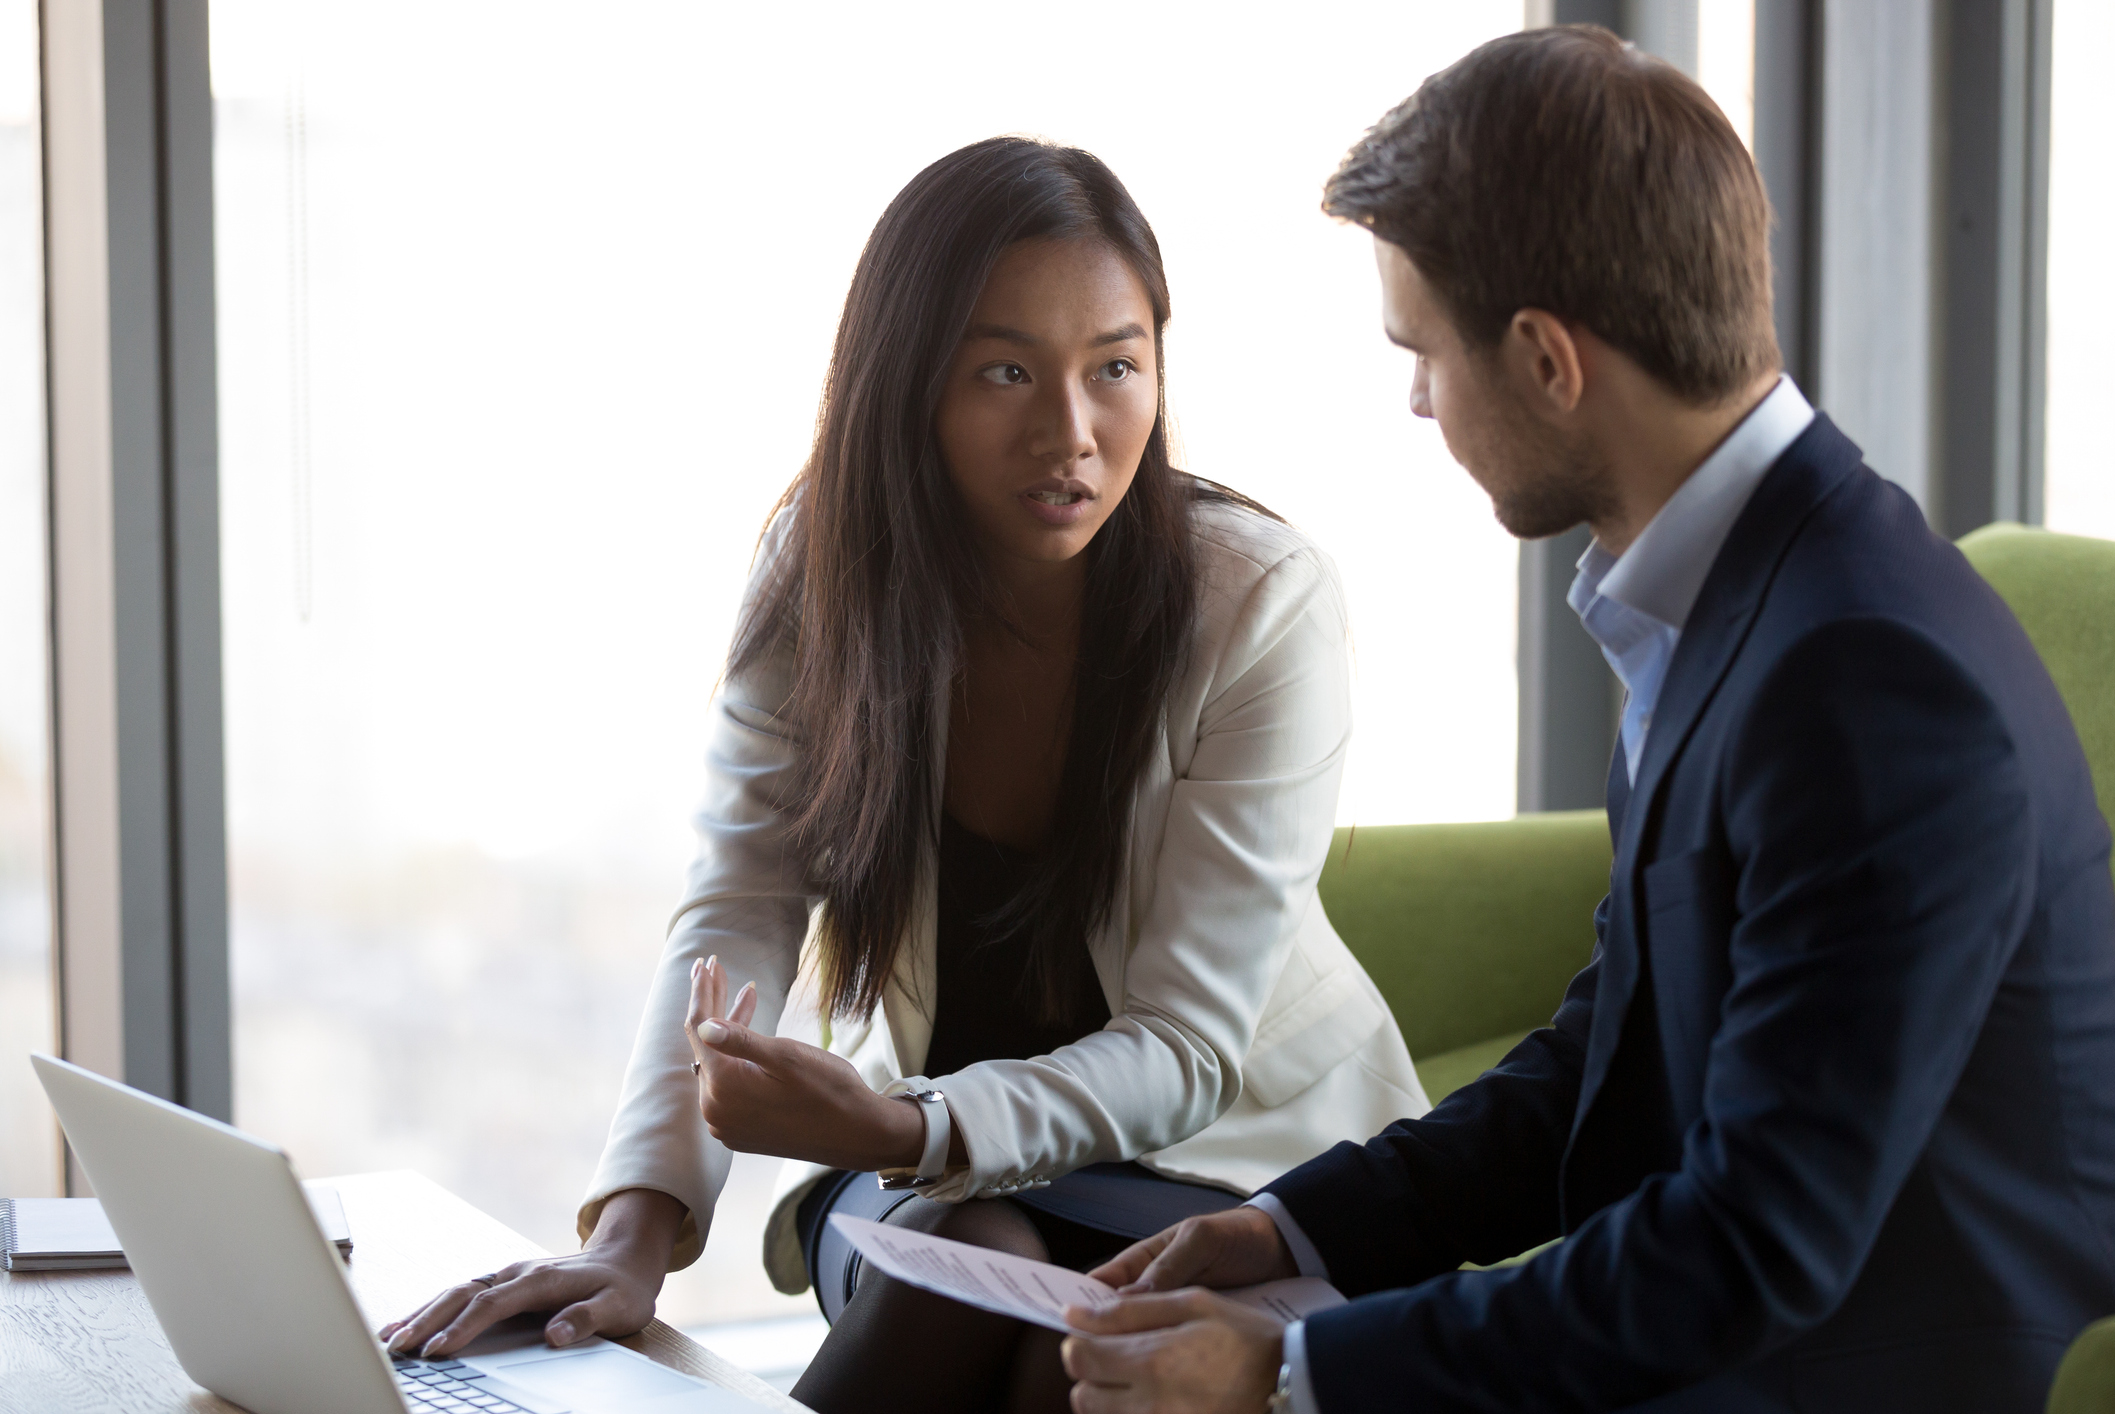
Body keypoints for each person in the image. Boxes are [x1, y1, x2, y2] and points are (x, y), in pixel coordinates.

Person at [1058, 26, 2115, 1414]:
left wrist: (1293, 1368)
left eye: (1423, 351)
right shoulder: (1746, 587)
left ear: (1549, 360)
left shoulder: (1860, 678)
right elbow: (1615, 1035)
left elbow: (1760, 1239)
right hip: (1775, 1310)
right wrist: (1294, 1230)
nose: (1418, 399)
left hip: (1883, 1365)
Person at [378, 136, 1427, 1414]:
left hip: (1232, 1167)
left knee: (1064, 1361)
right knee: (960, 1264)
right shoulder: (823, 576)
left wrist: (904, 1129)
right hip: (932, 1177)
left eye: (1115, 368)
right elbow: (737, 913)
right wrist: (631, 1236)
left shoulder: (1254, 599)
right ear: (906, 383)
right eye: (1002, 371)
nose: (1073, 433)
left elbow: (1188, 1045)